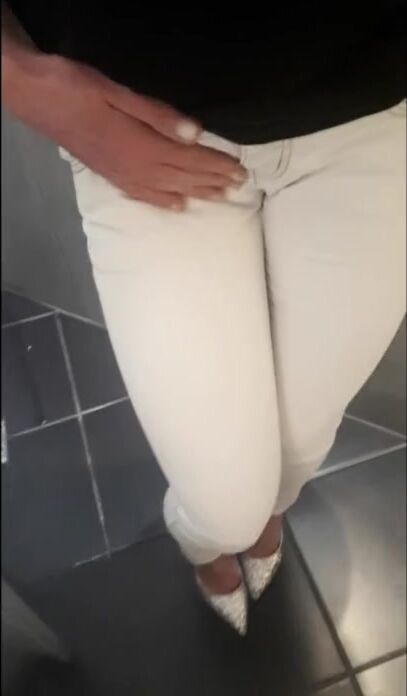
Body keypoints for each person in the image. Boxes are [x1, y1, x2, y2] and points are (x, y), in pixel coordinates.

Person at [2, 2, 405, 636]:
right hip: (142, 121)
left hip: (376, 111)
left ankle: (263, 515)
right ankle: (213, 540)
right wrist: (17, 78)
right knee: (224, 504)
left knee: (299, 448)